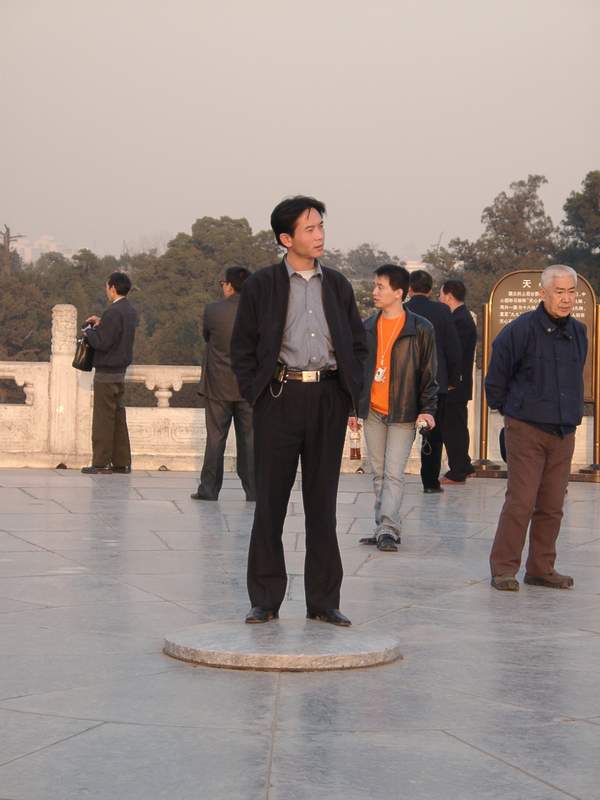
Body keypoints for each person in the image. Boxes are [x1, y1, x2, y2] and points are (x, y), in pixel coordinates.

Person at [231, 196, 367, 626]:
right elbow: (243, 347)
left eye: (321, 225)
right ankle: (265, 599)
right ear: (286, 238)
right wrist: (256, 391)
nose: (320, 234)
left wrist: (348, 395)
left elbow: (357, 346)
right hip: (279, 397)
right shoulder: (262, 285)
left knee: (322, 504)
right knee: (269, 502)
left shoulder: (338, 285)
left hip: (327, 399)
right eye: (309, 229)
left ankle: (324, 601)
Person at [486, 265, 587, 591]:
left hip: (563, 430)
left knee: (553, 505)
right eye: (559, 291)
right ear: (542, 293)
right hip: (526, 428)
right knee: (521, 501)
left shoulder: (579, 332)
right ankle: (503, 569)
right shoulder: (520, 330)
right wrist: (512, 414)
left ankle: (541, 568)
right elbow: (496, 376)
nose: (567, 298)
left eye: (571, 291)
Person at [350, 265, 438, 552]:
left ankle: (388, 526)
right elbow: (358, 373)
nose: (374, 292)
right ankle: (382, 526)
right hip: (373, 410)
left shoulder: (421, 328)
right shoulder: (366, 327)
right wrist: (353, 409)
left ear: (399, 293)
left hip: (403, 411)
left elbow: (428, 373)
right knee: (377, 471)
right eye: (374, 286)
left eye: (380, 287)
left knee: (394, 472)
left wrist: (428, 409)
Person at [191, 267, 255, 502]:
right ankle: (254, 489)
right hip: (248, 386)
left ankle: (209, 489)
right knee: (249, 440)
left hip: (218, 385)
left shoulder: (213, 310)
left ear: (229, 285)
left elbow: (208, 337)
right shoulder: (259, 311)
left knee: (216, 438)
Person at [405, 269, 461, 493]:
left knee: (401, 431)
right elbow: (453, 348)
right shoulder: (442, 311)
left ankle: (392, 480)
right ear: (430, 289)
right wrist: (452, 378)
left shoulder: (402, 309)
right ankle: (430, 483)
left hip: (405, 382)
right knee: (434, 434)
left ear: (409, 288)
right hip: (436, 381)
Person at [81, 271, 137, 474]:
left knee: (103, 419)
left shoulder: (113, 311)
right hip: (120, 373)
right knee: (118, 417)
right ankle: (122, 462)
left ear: (113, 288)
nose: (107, 291)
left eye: (107, 287)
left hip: (106, 374)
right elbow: (116, 334)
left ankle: (101, 462)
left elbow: (103, 343)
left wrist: (89, 332)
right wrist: (101, 323)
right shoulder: (129, 310)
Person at [439, 279, 477, 483]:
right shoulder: (460, 317)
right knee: (458, 426)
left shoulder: (460, 321)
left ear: (449, 295)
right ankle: (464, 464)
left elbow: (455, 355)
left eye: (441, 294)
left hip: (455, 384)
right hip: (457, 383)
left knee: (452, 428)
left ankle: (458, 471)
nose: (439, 298)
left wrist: (450, 381)